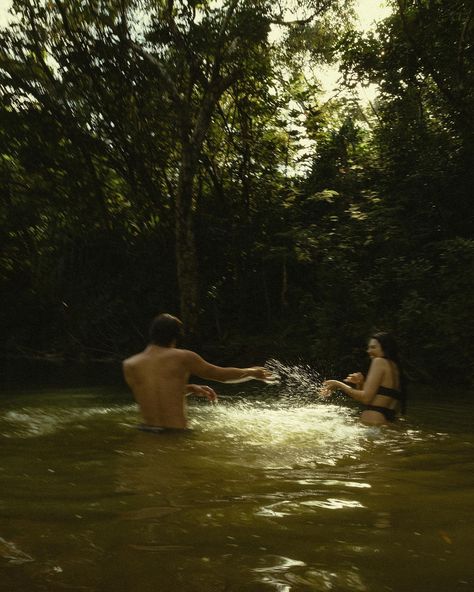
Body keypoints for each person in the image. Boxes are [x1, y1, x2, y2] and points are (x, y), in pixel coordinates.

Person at [122, 313, 272, 432]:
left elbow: (153, 394)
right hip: (176, 434)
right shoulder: (183, 357)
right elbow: (221, 375)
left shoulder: (130, 365)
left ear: (152, 334)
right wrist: (252, 372)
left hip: (145, 431)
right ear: (175, 337)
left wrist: (190, 388)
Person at [321, 331, 407, 426]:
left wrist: (338, 384)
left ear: (385, 348)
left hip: (373, 420)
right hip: (387, 421)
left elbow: (366, 398)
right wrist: (361, 383)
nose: (368, 351)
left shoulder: (379, 362)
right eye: (369, 347)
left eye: (373, 347)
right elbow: (379, 398)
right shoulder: (395, 367)